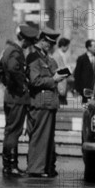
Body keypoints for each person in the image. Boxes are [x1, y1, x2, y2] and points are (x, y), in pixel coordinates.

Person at [0, 24, 39, 178]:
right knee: (14, 131)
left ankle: (8, 164)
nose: (29, 44)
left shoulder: (7, 49)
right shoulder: (16, 51)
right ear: (25, 40)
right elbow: (13, 68)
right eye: (29, 41)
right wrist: (21, 85)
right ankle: (11, 165)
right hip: (17, 98)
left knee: (10, 130)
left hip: (10, 96)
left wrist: (7, 83)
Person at [25, 28, 68, 178]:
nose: (50, 46)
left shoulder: (48, 59)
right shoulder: (33, 58)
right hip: (40, 102)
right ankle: (36, 168)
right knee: (39, 137)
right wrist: (53, 80)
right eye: (48, 42)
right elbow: (34, 80)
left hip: (49, 103)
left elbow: (54, 72)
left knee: (48, 138)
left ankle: (47, 166)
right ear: (41, 40)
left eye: (52, 43)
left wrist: (60, 76)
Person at [73, 39, 95, 103]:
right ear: (89, 47)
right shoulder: (81, 59)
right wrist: (76, 88)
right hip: (85, 89)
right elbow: (77, 74)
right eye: (94, 46)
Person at [52, 37, 71, 105]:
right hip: (59, 83)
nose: (68, 48)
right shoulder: (56, 55)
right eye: (67, 46)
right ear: (63, 46)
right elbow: (57, 70)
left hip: (63, 83)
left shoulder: (62, 55)